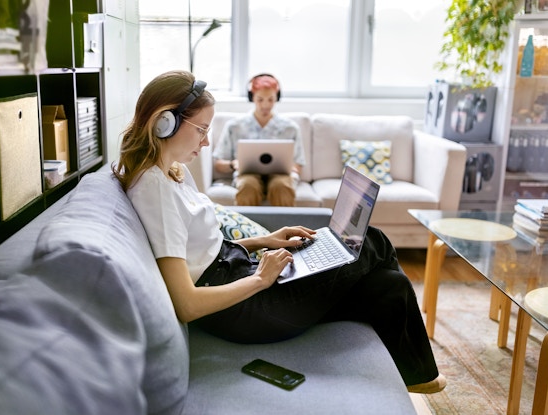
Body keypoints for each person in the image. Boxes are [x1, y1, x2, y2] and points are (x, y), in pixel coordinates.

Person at [113, 70, 446, 394]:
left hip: (241, 273)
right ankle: (412, 367)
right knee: (370, 239)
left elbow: (202, 251)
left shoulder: (173, 171)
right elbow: (187, 303)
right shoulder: (153, 188)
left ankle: (416, 374)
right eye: (201, 129)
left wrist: (265, 240)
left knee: (389, 285)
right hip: (243, 309)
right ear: (164, 122)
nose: (207, 140)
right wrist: (261, 279)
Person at [212, 74, 305, 206]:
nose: (265, 105)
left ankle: (284, 226)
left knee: (281, 186)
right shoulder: (235, 126)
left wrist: (289, 167)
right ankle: (246, 227)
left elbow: (298, 165)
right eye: (260, 99)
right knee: (247, 186)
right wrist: (234, 164)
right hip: (247, 176)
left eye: (270, 99)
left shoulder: (290, 128)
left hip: (281, 177)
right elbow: (218, 164)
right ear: (252, 98)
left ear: (277, 98)